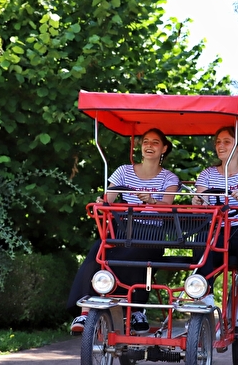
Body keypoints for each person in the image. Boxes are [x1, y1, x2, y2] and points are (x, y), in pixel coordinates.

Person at [67, 128, 179, 334]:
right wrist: (103, 202)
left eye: (155, 142)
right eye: (146, 141)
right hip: (122, 229)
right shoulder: (124, 171)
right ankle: (84, 311)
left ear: (164, 148)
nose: (149, 146)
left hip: (151, 232)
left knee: (137, 252)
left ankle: (135, 310)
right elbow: (108, 199)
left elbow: (168, 208)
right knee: (98, 251)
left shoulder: (169, 178)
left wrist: (152, 201)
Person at [192, 126, 238, 365]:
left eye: (227, 141)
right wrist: (198, 201)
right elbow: (200, 204)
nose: (220, 145)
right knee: (199, 270)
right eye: (217, 142)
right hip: (215, 231)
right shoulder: (207, 174)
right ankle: (207, 309)